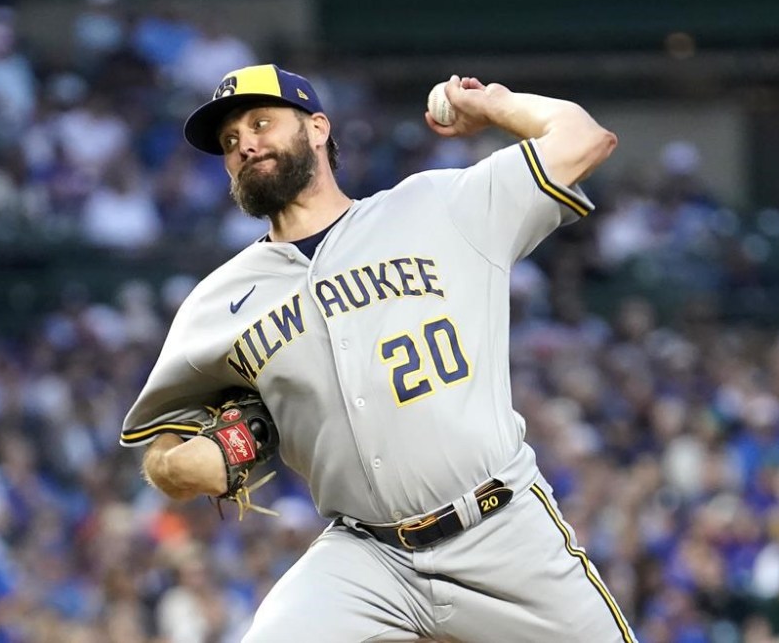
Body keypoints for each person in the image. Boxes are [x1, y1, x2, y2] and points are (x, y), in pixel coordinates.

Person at [121, 63, 635, 641]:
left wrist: (493, 106)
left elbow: (584, 139)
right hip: (367, 558)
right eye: (230, 140)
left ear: (318, 128)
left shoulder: (436, 206)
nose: (245, 144)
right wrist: (180, 468)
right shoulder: (218, 302)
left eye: (261, 123)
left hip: (502, 530)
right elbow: (159, 448)